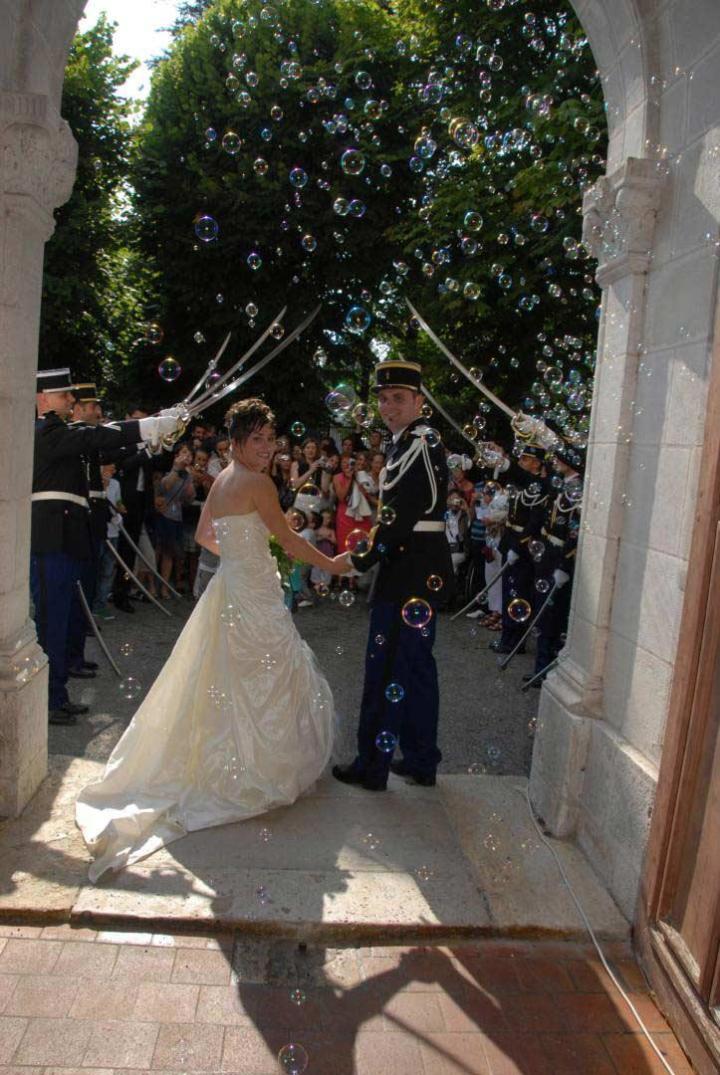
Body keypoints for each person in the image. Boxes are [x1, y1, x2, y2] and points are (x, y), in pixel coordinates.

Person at [76, 397, 351, 880]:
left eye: (271, 439)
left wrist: (245, 553)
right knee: (263, 671)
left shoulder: (223, 478)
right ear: (238, 441)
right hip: (253, 593)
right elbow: (288, 539)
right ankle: (251, 771)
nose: (268, 448)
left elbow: (205, 536)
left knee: (223, 676)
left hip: (230, 587)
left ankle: (216, 762)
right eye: (257, 439)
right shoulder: (258, 482)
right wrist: (331, 563)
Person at [31, 368, 182, 725]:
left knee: (63, 617)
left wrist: (153, 437)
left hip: (66, 537)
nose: (72, 400)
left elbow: (104, 444)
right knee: (52, 621)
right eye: (64, 394)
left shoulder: (62, 435)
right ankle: (49, 699)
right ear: (42, 399)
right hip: (52, 538)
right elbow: (94, 437)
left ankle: (57, 692)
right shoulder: (44, 431)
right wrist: (149, 426)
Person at [332, 360, 454, 791]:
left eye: (399, 398)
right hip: (419, 568)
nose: (389, 406)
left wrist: (359, 560)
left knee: (388, 669)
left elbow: (400, 520)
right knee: (417, 670)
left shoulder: (418, 443)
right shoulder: (409, 443)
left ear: (420, 401)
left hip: (408, 570)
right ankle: (421, 759)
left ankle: (372, 766)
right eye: (383, 398)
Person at [526, 446, 583, 684]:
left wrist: (565, 564)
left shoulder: (577, 488)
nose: (556, 460)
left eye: (562, 456)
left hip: (559, 555)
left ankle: (546, 669)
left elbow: (575, 530)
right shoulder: (559, 483)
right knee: (542, 611)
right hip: (547, 553)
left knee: (551, 615)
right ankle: (541, 666)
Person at [490, 444, 551, 656]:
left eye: (526, 459)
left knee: (519, 593)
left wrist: (518, 546)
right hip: (511, 540)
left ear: (536, 462)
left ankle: (515, 641)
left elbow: (533, 522)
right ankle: (508, 637)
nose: (521, 462)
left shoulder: (541, 486)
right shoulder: (524, 484)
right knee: (509, 590)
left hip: (523, 547)